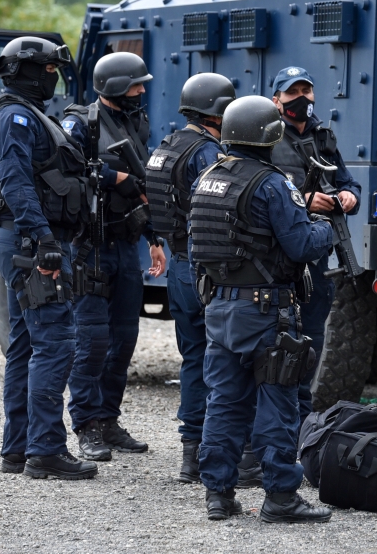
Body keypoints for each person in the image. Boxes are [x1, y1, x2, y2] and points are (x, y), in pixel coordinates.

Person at [189, 95, 335, 523]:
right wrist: (323, 228)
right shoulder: (273, 184)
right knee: (277, 405)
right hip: (265, 313)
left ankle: (218, 494)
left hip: (220, 310)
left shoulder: (208, 178)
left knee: (224, 403)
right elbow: (302, 245)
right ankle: (281, 498)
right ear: (269, 135)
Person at [0, 36, 96, 479]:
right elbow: (15, 182)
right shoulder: (15, 117)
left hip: (23, 239)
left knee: (27, 346)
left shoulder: (23, 114)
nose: (54, 77)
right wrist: (44, 238)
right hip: (31, 243)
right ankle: (45, 450)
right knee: (55, 343)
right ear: (28, 72)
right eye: (49, 69)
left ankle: (19, 449)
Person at [60, 52, 166, 461]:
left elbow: (145, 188)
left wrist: (154, 237)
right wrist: (114, 177)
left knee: (123, 340)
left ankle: (108, 419)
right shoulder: (79, 123)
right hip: (91, 247)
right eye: (136, 85)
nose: (142, 91)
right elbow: (66, 169)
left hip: (125, 245)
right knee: (92, 341)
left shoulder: (134, 123)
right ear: (116, 87)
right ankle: (86, 426)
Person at [145, 73, 232, 483]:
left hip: (179, 266)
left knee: (193, 358)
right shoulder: (206, 152)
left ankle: (190, 455)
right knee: (225, 361)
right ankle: (220, 453)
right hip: (206, 267)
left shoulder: (168, 145)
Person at [270, 67, 360, 413]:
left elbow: (348, 181)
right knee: (277, 342)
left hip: (317, 258)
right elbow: (258, 190)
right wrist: (304, 200)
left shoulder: (323, 137)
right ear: (276, 101)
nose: (302, 99)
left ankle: (300, 418)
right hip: (279, 258)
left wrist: (349, 197)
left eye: (307, 91)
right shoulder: (267, 137)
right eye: (293, 93)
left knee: (312, 338)